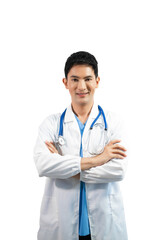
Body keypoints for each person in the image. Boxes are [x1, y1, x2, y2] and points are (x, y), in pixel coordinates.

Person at [33, 51, 128, 240]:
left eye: (88, 79)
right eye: (74, 79)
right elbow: (43, 165)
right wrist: (98, 160)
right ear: (65, 82)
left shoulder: (113, 123)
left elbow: (118, 170)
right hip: (61, 225)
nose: (81, 86)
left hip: (104, 225)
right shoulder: (51, 124)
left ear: (97, 82)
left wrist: (63, 165)